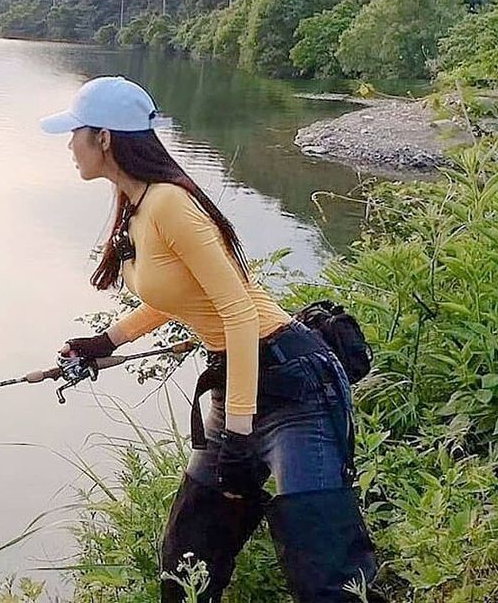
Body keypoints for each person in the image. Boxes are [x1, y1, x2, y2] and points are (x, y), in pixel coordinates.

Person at [40, 76, 379, 602]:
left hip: (293, 387)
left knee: (324, 566)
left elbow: (239, 313)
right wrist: (108, 340)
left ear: (104, 138)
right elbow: (181, 295)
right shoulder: (138, 203)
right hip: (237, 379)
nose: (68, 146)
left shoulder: (170, 203)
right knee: (189, 557)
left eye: (75, 133)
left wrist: (239, 425)